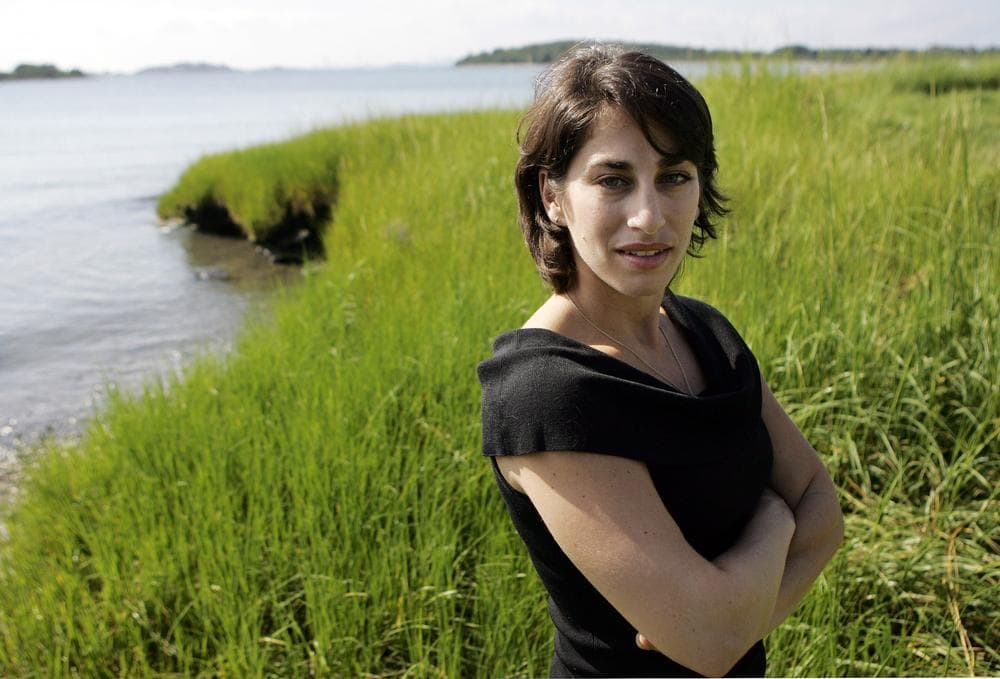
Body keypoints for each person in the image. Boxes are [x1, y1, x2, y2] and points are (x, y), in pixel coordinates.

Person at [477, 44, 844, 678]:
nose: (649, 216)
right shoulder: (547, 391)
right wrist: (776, 516)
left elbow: (824, 509)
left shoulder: (703, 330)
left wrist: (729, 620)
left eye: (674, 176)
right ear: (552, 197)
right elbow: (709, 640)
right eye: (613, 179)